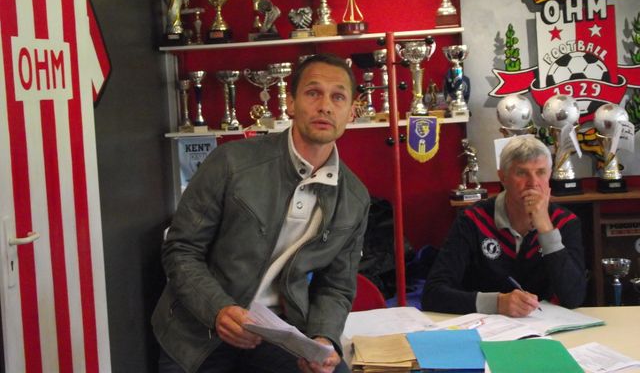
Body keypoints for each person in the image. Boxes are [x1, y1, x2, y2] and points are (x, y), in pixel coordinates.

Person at [152, 53, 370, 373]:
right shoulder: (231, 162)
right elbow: (181, 249)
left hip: (277, 333)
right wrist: (219, 310)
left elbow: (336, 286)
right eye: (313, 93)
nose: (325, 106)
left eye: (338, 97)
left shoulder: (354, 198)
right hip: (198, 333)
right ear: (291, 103)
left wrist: (324, 338)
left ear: (351, 111)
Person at [421, 135, 587, 317]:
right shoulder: (473, 219)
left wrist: (546, 229)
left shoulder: (565, 222)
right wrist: (496, 303)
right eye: (522, 173)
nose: (533, 183)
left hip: (544, 325)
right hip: (484, 326)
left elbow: (574, 297)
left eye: (540, 172)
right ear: (503, 177)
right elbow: (433, 294)